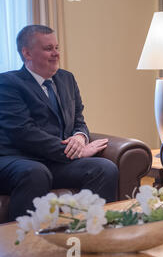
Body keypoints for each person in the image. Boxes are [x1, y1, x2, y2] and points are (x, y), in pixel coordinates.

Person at [0, 25, 119, 222]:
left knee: (104, 168)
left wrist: (80, 137)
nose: (56, 53)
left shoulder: (66, 79)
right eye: (48, 49)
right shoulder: (8, 83)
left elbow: (78, 119)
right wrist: (75, 152)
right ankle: (24, 246)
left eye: (57, 47)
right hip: (16, 159)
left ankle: (90, 235)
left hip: (54, 162)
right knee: (36, 172)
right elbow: (24, 133)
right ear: (27, 53)